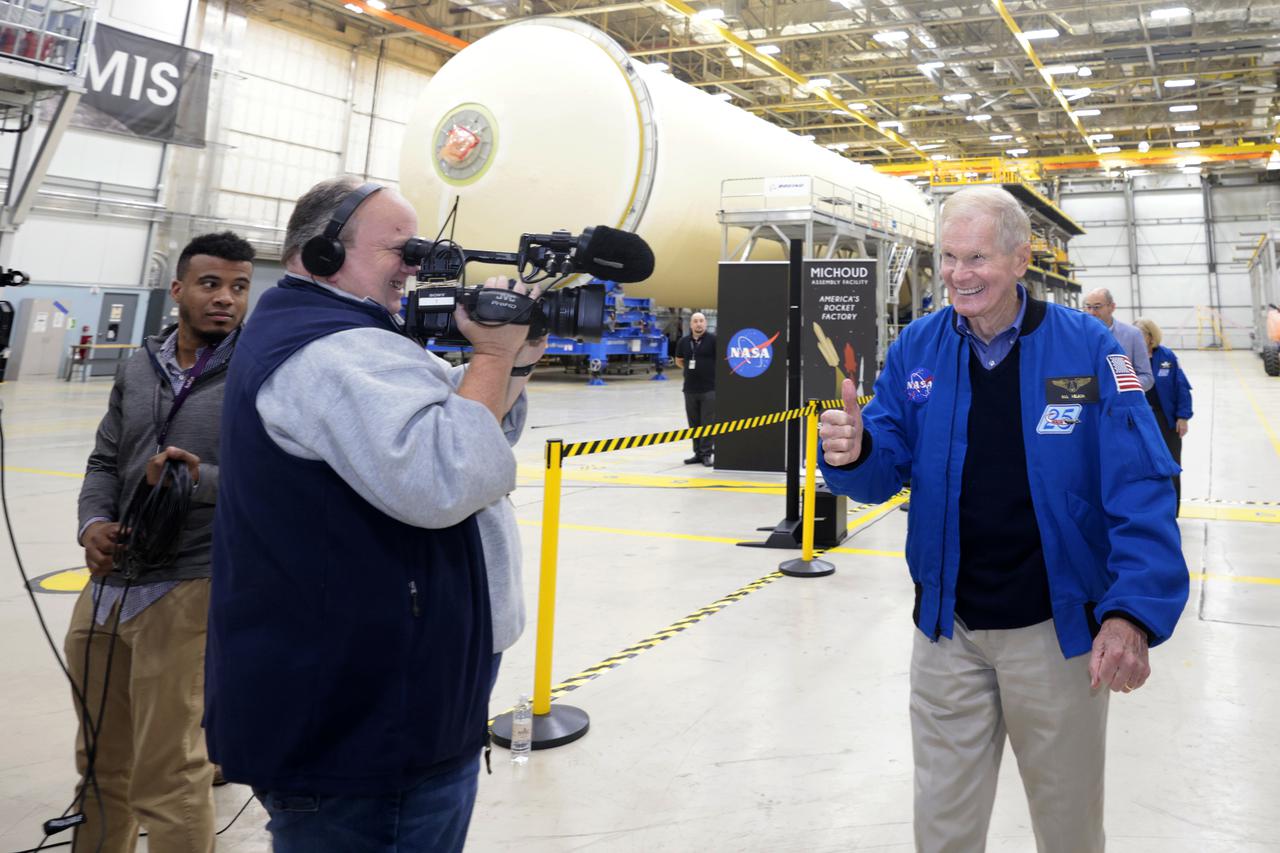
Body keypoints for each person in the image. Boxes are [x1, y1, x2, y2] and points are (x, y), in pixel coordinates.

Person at [817, 186, 1189, 853]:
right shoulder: (917, 349)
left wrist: (1131, 611)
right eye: (950, 256)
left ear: (1021, 259)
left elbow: (1142, 482)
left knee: (1068, 824)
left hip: (1056, 633)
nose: (959, 274)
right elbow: (885, 462)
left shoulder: (1089, 348)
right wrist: (858, 450)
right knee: (942, 826)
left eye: (978, 257)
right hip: (946, 631)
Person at [207, 177, 544, 853]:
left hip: (378, 695)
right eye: (402, 248)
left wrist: (515, 365)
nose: (416, 267)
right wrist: (492, 352)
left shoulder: (349, 334)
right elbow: (446, 472)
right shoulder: (330, 351)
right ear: (325, 253)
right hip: (365, 726)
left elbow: (457, 414)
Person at [66, 231, 255, 853]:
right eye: (210, 284)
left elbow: (274, 486)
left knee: (170, 774)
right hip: (109, 585)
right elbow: (103, 460)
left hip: (188, 584)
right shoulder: (137, 366)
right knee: (99, 764)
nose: (226, 298)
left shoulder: (257, 371)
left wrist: (194, 478)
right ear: (178, 290)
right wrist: (93, 524)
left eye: (239, 287)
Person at [1135, 317, 1192, 512]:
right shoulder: (1127, 358)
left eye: (1139, 335)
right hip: (1139, 420)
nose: (1135, 339)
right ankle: (1147, 509)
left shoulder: (1166, 357)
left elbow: (1181, 388)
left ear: (1151, 337)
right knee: (1142, 464)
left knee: (1171, 464)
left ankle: (1171, 510)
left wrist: (1183, 417)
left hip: (1165, 419)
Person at [1084, 287, 1154, 391]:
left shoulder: (1132, 335)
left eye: (1097, 307)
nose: (1092, 313)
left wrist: (1121, 388)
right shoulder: (1077, 337)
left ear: (1112, 307)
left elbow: (1147, 377)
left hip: (1121, 404)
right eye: (1088, 307)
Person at [674, 311, 716, 466]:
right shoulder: (684, 342)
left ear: (705, 323)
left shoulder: (713, 340)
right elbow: (679, 360)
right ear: (691, 324)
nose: (699, 324)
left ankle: (706, 454)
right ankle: (697, 453)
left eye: (701, 321)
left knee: (708, 423)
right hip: (690, 389)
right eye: (695, 321)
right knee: (694, 424)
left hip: (709, 389)